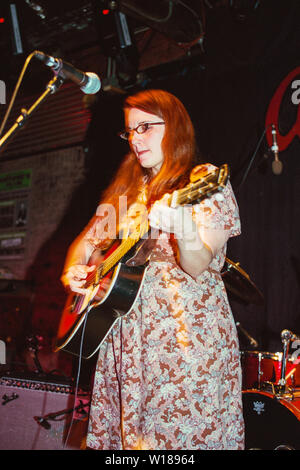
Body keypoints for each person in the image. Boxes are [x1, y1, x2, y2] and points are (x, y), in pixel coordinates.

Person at [61, 89, 244, 450]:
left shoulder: (203, 181)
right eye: (129, 131)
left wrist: (183, 226)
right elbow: (82, 246)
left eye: (145, 127)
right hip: (125, 344)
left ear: (173, 126)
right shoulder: (125, 193)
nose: (135, 139)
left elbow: (197, 264)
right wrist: (74, 273)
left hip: (183, 340)